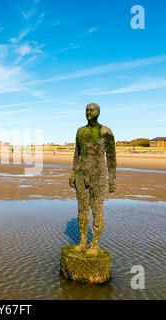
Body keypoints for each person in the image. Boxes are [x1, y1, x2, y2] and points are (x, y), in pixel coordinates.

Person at [69, 103, 116, 254]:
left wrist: (112, 178)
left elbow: (111, 157)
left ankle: (95, 244)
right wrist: (73, 173)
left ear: (98, 112)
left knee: (97, 210)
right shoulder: (80, 132)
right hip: (81, 175)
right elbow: (77, 154)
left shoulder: (105, 132)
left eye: (92, 110)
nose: (88, 112)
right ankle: (83, 242)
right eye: (86, 110)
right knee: (82, 210)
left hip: (98, 176)